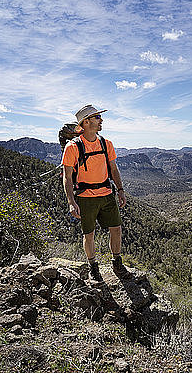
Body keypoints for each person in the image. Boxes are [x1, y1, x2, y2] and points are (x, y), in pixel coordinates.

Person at [61, 105, 131, 281]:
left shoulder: (106, 144)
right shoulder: (72, 147)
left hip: (107, 194)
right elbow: (67, 177)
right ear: (86, 122)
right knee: (89, 234)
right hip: (85, 197)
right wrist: (71, 201)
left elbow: (113, 169)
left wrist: (120, 190)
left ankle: (117, 262)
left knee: (116, 229)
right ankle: (93, 266)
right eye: (97, 117)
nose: (101, 120)